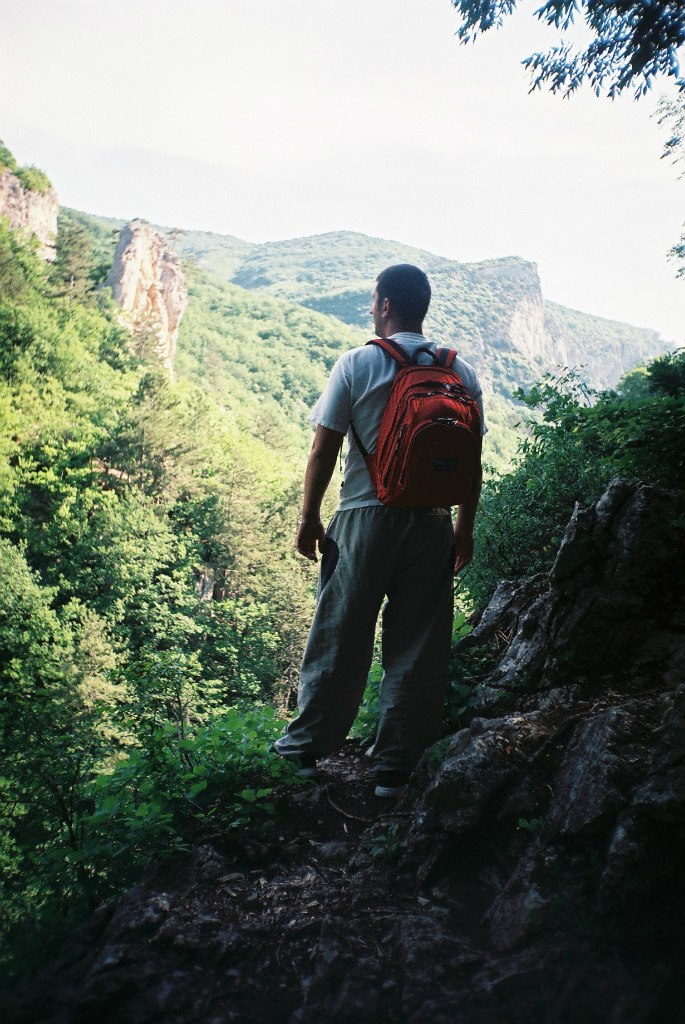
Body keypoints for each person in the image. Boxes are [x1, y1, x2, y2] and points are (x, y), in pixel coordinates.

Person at [274, 264, 486, 797]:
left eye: (374, 300)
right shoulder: (461, 373)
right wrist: (465, 529)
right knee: (418, 645)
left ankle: (302, 752)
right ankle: (394, 766)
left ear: (385, 304)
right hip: (434, 522)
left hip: (364, 518)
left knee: (340, 636)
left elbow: (324, 448)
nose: (373, 307)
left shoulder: (358, 363)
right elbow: (472, 460)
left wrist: (309, 517)